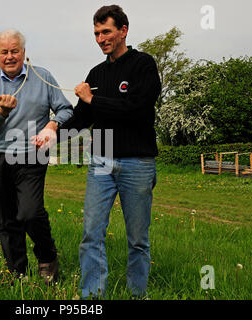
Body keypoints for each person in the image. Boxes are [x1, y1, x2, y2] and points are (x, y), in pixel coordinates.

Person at [61, 5, 161, 298]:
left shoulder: (143, 64)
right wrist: (51, 132)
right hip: (101, 159)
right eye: (96, 33)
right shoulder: (96, 72)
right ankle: (93, 297)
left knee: (138, 239)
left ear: (123, 31)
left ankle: (137, 294)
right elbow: (82, 117)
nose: (101, 38)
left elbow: (137, 110)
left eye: (106, 31)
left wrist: (92, 99)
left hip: (137, 160)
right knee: (91, 234)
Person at [0, 29, 73, 283]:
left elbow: (66, 109)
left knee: (30, 212)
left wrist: (52, 125)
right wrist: (2, 112)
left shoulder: (42, 76)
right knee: (7, 219)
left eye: (15, 51)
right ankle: (17, 272)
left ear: (23, 53)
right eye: (4, 52)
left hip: (32, 154)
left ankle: (47, 258)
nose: (10, 56)